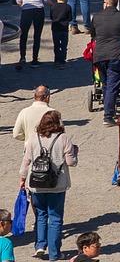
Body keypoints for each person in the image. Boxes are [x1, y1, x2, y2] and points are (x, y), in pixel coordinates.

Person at [19, 107, 77, 261]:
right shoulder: (63, 138)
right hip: (57, 185)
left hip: (36, 184)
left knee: (41, 216)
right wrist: (74, 155)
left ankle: (39, 245)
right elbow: (71, 162)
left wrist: (22, 178)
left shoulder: (33, 138)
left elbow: (26, 161)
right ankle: (54, 253)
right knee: (55, 218)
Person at [90, 0, 120, 124]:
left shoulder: (96, 17)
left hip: (100, 55)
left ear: (106, 3)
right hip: (116, 54)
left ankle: (109, 109)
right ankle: (108, 116)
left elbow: (93, 34)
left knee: (106, 84)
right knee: (113, 85)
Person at [14, 0, 47, 68]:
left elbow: (18, 1)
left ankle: (22, 57)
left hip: (26, 10)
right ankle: (34, 59)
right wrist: (55, 4)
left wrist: (24, 5)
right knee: (37, 35)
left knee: (23, 35)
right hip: (39, 9)